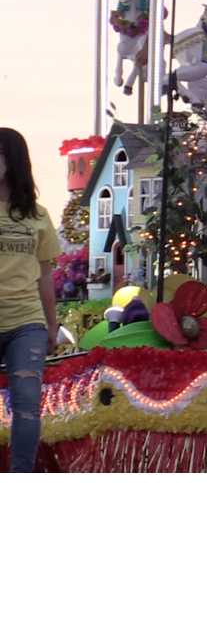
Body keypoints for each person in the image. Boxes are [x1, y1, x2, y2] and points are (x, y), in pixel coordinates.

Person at [0, 128, 61, 473]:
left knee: (27, 406)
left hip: (27, 324)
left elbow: (45, 274)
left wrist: (51, 325)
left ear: (14, 159)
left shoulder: (37, 216)